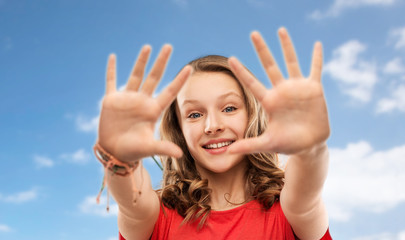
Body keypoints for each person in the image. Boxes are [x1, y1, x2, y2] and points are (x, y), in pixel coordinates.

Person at [94, 27, 332, 240]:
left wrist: (311, 147)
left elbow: (307, 189)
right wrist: (119, 158)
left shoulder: (290, 207)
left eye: (229, 108)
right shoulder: (155, 216)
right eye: (194, 114)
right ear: (179, 130)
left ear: (252, 116)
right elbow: (130, 202)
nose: (212, 125)